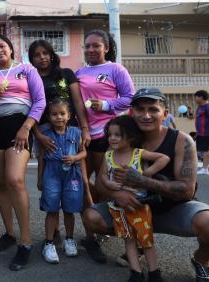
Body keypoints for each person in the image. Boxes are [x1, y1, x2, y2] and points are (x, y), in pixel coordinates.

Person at [82, 87, 209, 282]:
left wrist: (142, 180)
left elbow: (186, 191)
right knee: (91, 218)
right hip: (132, 208)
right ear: (131, 112)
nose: (146, 115)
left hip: (171, 209)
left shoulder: (182, 141)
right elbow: (101, 181)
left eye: (153, 109)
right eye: (140, 109)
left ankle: (201, 260)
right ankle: (139, 243)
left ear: (165, 114)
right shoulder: (121, 139)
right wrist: (118, 195)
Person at [0, 34, 45, 271]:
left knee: (15, 181)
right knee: (1, 184)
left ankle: (26, 242)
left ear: (11, 49)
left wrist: (26, 127)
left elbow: (40, 101)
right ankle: (9, 233)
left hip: (19, 125)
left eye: (2, 46)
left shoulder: (27, 69)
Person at [75, 29, 135, 262]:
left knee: (101, 186)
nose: (91, 49)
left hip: (106, 134)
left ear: (106, 48)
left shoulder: (115, 69)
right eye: (87, 46)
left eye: (96, 46)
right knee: (81, 184)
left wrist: (107, 105)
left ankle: (100, 231)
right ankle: (91, 232)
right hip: (82, 134)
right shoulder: (79, 72)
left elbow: (130, 97)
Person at [27, 39, 91, 250]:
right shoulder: (31, 77)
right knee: (51, 180)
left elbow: (78, 102)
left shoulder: (66, 74)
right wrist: (38, 134)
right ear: (32, 59)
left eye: (45, 52)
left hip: (71, 134)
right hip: (45, 133)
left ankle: (87, 235)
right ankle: (53, 235)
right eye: (37, 54)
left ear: (52, 54)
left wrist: (84, 128)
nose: (42, 57)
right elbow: (31, 107)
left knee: (79, 182)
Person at [100, 115, 170, 282]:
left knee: (146, 241)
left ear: (130, 136)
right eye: (110, 135)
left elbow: (164, 158)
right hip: (118, 208)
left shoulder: (138, 154)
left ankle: (154, 273)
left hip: (139, 206)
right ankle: (136, 273)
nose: (112, 138)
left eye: (117, 134)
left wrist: (146, 174)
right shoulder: (108, 156)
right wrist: (108, 184)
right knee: (128, 240)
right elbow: (102, 174)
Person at [36, 98, 90, 264]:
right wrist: (40, 178)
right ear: (49, 116)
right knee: (51, 208)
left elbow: (83, 153)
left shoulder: (76, 132)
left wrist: (74, 157)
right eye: (54, 114)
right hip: (51, 173)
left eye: (62, 114)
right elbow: (41, 158)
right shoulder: (45, 134)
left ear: (69, 115)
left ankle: (69, 239)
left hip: (72, 174)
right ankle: (49, 243)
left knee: (69, 209)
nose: (58, 117)